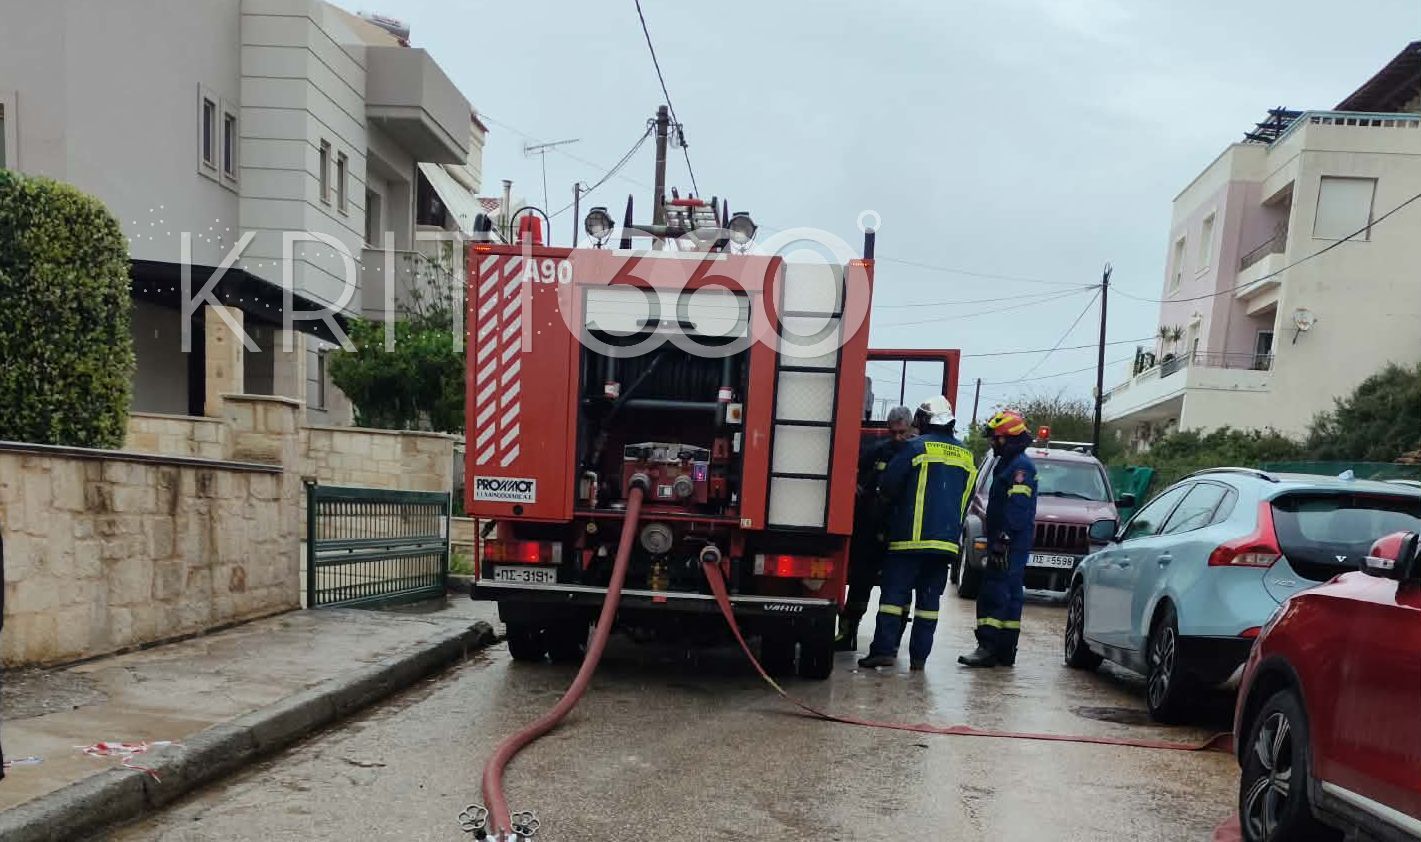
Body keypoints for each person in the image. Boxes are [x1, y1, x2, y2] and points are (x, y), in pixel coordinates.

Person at [859, 396, 977, 670]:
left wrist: (879, 519)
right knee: (928, 605)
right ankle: (919, 660)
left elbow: (889, 487)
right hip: (945, 545)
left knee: (893, 599)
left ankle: (883, 651)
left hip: (908, 541)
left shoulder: (914, 448)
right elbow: (966, 498)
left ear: (923, 420)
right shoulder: (967, 455)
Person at [960, 409, 1038, 668]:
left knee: (995, 591)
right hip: (1010, 540)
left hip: (1009, 541)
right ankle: (1005, 650)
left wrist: (1003, 539)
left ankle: (988, 647)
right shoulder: (1009, 464)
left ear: (1009, 438)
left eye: (997, 438)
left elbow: (1018, 507)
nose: (993, 443)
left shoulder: (1020, 468)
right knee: (1010, 593)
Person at [834, 405, 914, 651]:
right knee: (860, 584)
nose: (898, 438)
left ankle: (891, 642)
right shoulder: (877, 452)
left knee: (899, 590)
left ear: (911, 429)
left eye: (902, 433)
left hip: (900, 531)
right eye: (893, 432)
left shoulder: (917, 454)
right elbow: (852, 474)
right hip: (869, 528)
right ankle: (847, 633)